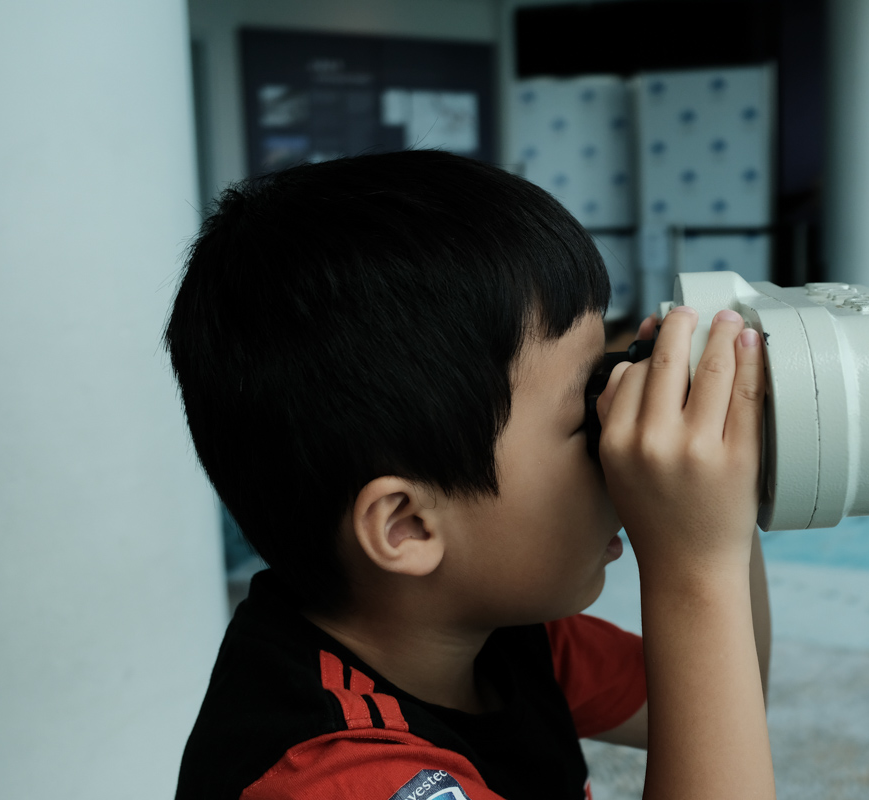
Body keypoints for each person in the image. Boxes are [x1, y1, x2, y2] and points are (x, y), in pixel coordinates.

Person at [167, 149, 774, 800]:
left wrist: (722, 473)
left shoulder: (490, 629)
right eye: (586, 418)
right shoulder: (337, 773)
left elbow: (724, 689)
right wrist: (694, 566)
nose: (621, 433)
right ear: (408, 526)